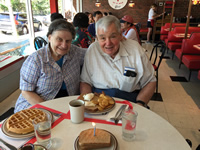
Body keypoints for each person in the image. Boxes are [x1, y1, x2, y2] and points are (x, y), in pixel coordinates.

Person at [80, 16, 156, 107]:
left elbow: (150, 81)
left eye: (113, 37)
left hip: (130, 101)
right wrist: (89, 105)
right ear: (97, 38)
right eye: (103, 38)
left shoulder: (135, 49)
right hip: (99, 102)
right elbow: (85, 82)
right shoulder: (92, 50)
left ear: (120, 35)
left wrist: (140, 104)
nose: (108, 43)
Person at [15, 19, 86, 112]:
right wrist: (48, 110)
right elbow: (26, 92)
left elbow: (94, 52)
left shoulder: (75, 52)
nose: (64, 45)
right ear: (49, 37)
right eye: (59, 39)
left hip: (66, 102)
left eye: (68, 41)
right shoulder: (36, 60)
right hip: (36, 104)